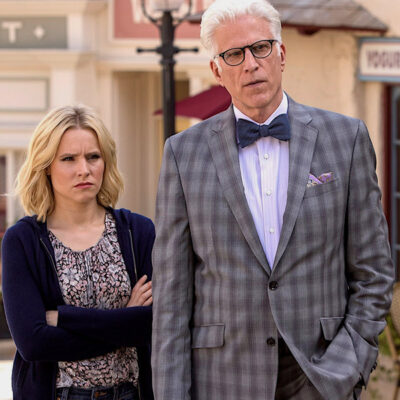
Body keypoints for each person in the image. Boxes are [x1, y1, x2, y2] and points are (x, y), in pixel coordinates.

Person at [151, 0, 395, 399]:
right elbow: (171, 300)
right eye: (234, 54)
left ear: (281, 54)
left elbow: (373, 272)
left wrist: (347, 367)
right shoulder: (183, 154)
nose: (251, 64)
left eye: (261, 48)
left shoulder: (346, 138)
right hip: (223, 382)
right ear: (216, 70)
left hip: (321, 378)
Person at [1, 104, 155, 400]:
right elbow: (34, 343)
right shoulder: (23, 240)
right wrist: (125, 320)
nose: (84, 169)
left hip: (130, 393)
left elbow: (151, 324)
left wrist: (64, 318)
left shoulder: (137, 232)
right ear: (46, 165)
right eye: (68, 159)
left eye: (93, 157)